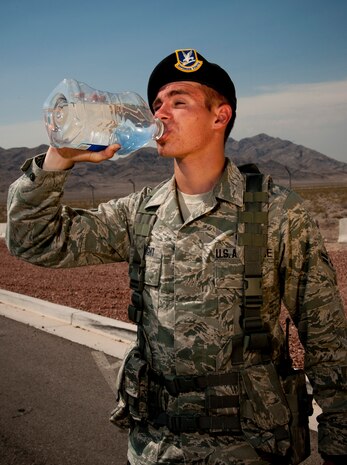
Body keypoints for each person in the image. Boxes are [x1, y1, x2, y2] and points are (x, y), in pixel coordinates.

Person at [6, 49, 346, 465]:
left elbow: (326, 339)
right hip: (154, 447)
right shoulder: (139, 212)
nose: (160, 113)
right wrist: (58, 159)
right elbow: (35, 242)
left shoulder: (276, 211)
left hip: (249, 449)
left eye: (178, 101)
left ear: (220, 116)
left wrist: (339, 444)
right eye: (156, 105)